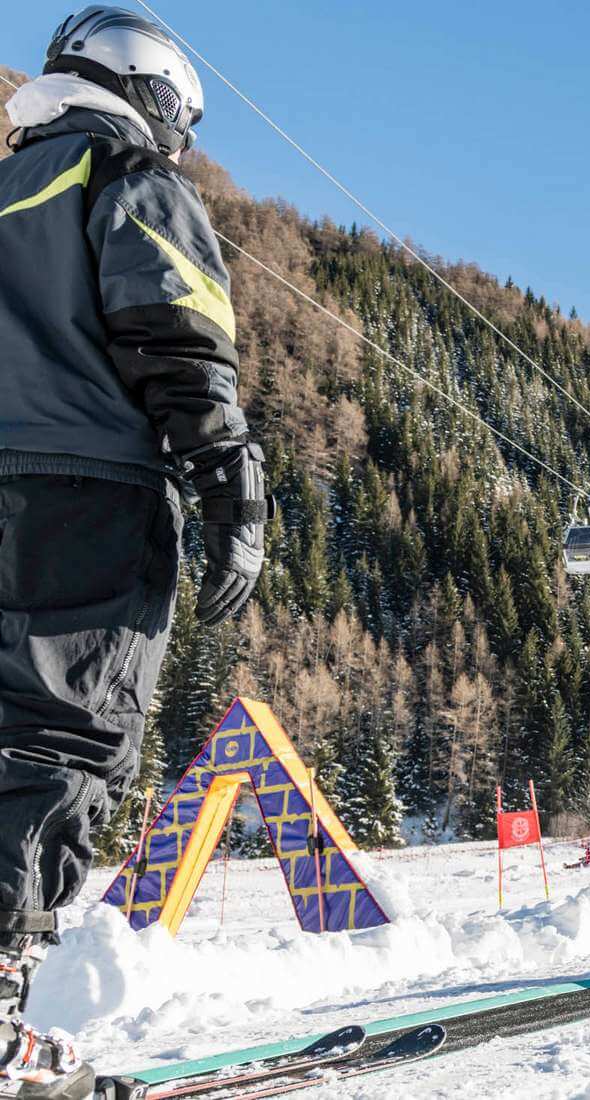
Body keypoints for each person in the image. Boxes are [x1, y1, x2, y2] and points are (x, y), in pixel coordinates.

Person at [2, 9, 270, 1095]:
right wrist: (229, 489)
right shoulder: (123, 177)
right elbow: (178, 336)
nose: (184, 143)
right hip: (86, 492)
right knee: (59, 737)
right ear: (147, 91)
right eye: (183, 120)